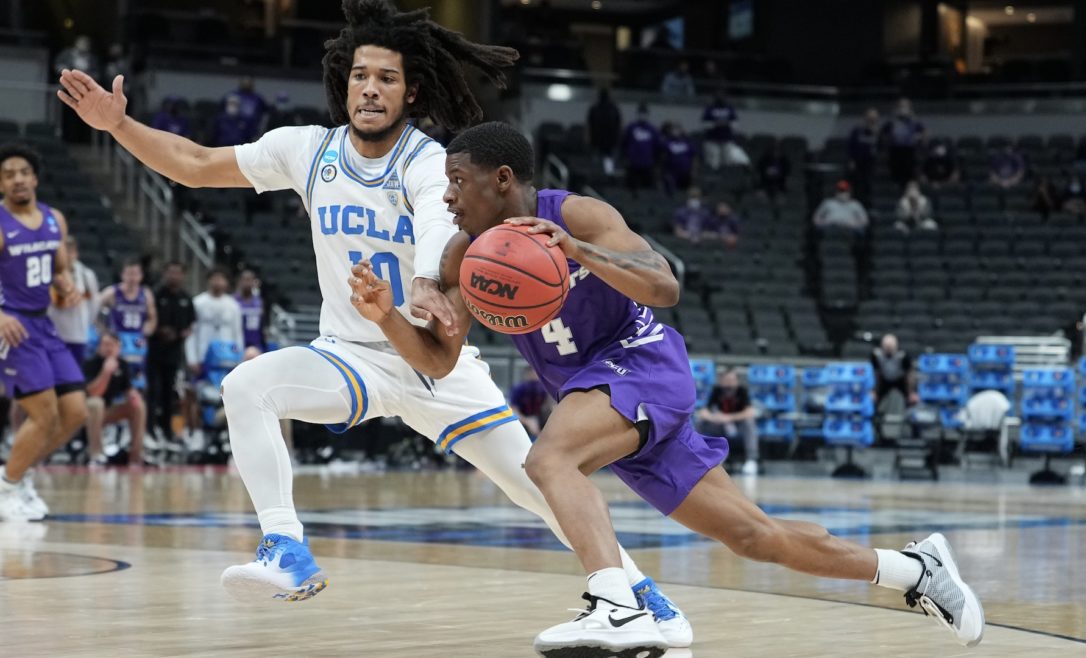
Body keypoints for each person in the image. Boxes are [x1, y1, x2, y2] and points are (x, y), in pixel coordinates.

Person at [58, 2, 691, 646]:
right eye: (361, 75)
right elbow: (194, 163)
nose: (370, 87)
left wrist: (423, 280)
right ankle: (285, 548)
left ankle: (642, 597)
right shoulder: (305, 151)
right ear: (345, 82)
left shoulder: (427, 161)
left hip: (431, 354)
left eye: (387, 78)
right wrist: (119, 126)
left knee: (535, 482)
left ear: (409, 91)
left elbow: (441, 224)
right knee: (246, 387)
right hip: (349, 353)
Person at [349, 121, 983, 655]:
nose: (449, 198)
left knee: (549, 458)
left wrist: (579, 254)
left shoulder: (577, 215)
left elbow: (664, 286)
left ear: (503, 180)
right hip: (602, 398)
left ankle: (617, 605)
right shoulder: (467, 256)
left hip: (642, 363)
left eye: (458, 182)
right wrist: (385, 317)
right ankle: (912, 570)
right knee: (753, 536)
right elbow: (437, 361)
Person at [0, 143, 87, 520]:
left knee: (76, 412)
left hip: (43, 322)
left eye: (23, 172)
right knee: (44, 414)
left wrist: (65, 285)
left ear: (34, 179)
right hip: (13, 325)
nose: (17, 178)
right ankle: (7, 486)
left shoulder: (55, 219)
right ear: (1, 184)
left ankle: (21, 474)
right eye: (8, 174)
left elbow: (59, 269)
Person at [148, 261, 195, 443]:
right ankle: (150, 429)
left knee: (171, 393)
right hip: (155, 351)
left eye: (178, 273)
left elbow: (191, 325)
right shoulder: (155, 294)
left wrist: (182, 333)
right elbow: (149, 319)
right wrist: (160, 330)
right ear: (165, 274)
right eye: (171, 272)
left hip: (175, 354)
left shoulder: (186, 298)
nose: (174, 276)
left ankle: (167, 430)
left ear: (183, 276)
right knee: (153, 391)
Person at [83, 331, 146, 466]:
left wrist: (133, 395)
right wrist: (106, 372)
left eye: (112, 345)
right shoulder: (91, 363)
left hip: (108, 411)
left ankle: (136, 456)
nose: (108, 348)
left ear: (118, 348)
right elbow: (94, 392)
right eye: (105, 344)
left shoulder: (122, 364)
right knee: (96, 403)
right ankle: (96, 454)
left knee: (138, 405)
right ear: (99, 347)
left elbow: (128, 389)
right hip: (87, 413)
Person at [99, 256, 157, 386]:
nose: (132, 278)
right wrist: (103, 331)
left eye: (135, 274)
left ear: (141, 276)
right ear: (122, 275)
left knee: (138, 376)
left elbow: (152, 318)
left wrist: (146, 331)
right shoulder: (112, 292)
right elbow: (94, 310)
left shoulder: (146, 294)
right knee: (116, 374)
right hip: (118, 338)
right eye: (129, 274)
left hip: (137, 338)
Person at [47, 235, 101, 368]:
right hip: (54, 334)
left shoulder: (87, 275)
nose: (67, 255)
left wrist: (86, 324)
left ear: (76, 253)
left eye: (70, 251)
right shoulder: (49, 273)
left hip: (77, 335)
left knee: (74, 380)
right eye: (64, 251)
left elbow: (94, 304)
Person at [695, 369, 758, 475]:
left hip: (737, 426)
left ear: (737, 381)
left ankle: (751, 460)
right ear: (722, 381)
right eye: (726, 380)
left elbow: (750, 412)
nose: (729, 383)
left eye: (732, 380)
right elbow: (703, 412)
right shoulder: (717, 390)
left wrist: (729, 418)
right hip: (720, 425)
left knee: (749, 423)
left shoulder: (742, 391)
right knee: (700, 422)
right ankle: (699, 456)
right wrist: (715, 418)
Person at [186, 268, 244, 379]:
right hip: (203, 356)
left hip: (227, 357)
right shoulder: (198, 303)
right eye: (215, 278)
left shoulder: (233, 305)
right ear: (208, 280)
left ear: (227, 282)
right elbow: (192, 332)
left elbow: (238, 333)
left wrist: (239, 359)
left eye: (221, 279)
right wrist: (192, 358)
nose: (218, 282)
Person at [700, 91, 749, 169]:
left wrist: (727, 123)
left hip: (727, 139)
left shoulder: (730, 109)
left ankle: (726, 178)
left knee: (728, 162)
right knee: (714, 163)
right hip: (712, 140)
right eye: (718, 97)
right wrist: (716, 124)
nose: (720, 99)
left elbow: (736, 123)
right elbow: (704, 124)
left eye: (722, 97)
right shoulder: (709, 109)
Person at [882, 98, 925, 187]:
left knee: (909, 176)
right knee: (896, 176)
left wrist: (918, 137)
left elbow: (923, 132)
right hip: (896, 151)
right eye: (901, 106)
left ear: (910, 108)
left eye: (906, 106)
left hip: (909, 151)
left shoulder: (914, 120)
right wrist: (889, 139)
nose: (903, 108)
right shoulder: (892, 120)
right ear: (897, 107)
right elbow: (883, 132)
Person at [871, 334, 916, 415]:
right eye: (886, 347)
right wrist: (874, 391)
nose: (888, 350)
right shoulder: (876, 355)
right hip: (884, 379)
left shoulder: (903, 356)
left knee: (912, 400)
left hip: (900, 380)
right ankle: (875, 420)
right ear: (882, 346)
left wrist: (911, 392)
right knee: (873, 399)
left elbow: (909, 375)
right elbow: (876, 374)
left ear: (896, 346)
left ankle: (911, 419)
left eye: (890, 347)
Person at [619, 103, 659, 192]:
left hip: (647, 163)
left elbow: (656, 147)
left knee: (647, 188)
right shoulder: (631, 127)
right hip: (633, 163)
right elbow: (624, 143)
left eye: (644, 113)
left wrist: (654, 161)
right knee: (630, 187)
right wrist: (626, 157)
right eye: (641, 113)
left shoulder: (652, 129)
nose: (642, 115)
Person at [847, 108, 881, 205]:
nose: (872, 121)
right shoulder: (857, 130)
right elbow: (850, 146)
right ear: (866, 118)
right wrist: (851, 160)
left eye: (874, 119)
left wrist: (877, 134)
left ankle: (867, 205)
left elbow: (881, 147)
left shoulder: (877, 132)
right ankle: (856, 202)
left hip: (870, 163)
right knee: (857, 184)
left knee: (868, 185)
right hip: (857, 161)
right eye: (870, 118)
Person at [586, 88, 622, 177]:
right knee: (599, 164)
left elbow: (618, 125)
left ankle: (605, 178)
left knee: (606, 164)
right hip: (599, 141)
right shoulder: (596, 109)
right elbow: (589, 125)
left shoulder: (612, 109)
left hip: (606, 141)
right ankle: (598, 177)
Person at [235, 268, 267, 358]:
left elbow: (262, 325)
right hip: (238, 343)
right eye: (245, 280)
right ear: (240, 282)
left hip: (256, 344)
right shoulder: (234, 301)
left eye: (249, 280)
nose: (247, 283)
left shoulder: (259, 302)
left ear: (254, 282)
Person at [509, 367, 548, 438]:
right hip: (523, 422)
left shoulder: (543, 389)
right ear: (527, 374)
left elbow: (548, 407)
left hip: (538, 421)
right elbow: (513, 410)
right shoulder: (519, 389)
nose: (534, 376)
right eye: (532, 373)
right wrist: (528, 422)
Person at [659, 122, 695, 195]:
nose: (676, 132)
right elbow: (662, 155)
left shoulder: (687, 141)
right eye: (674, 130)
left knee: (684, 191)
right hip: (672, 172)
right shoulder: (667, 142)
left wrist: (693, 170)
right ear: (671, 131)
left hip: (685, 171)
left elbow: (693, 156)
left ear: (681, 130)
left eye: (678, 129)